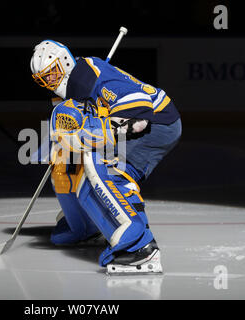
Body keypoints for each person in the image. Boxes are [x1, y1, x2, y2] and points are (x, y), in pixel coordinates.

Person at [30, 40, 182, 273]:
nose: (50, 82)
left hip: (157, 124)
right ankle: (88, 226)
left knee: (104, 168)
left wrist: (96, 132)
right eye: (44, 79)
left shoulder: (87, 77)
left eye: (53, 74)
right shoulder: (75, 84)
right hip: (141, 123)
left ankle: (140, 248)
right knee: (66, 164)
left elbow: (139, 117)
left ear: (66, 62)